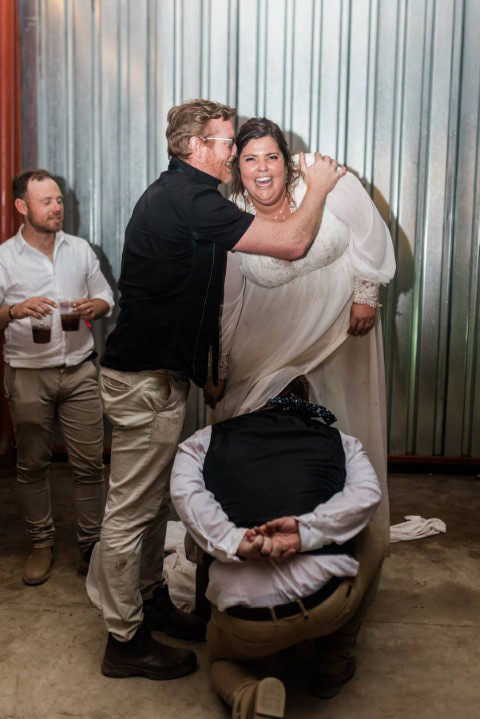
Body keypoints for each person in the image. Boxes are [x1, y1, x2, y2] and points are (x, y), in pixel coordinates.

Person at [98, 98, 347, 681]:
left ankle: (151, 599)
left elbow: (200, 290)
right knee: (130, 512)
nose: (235, 152)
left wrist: (206, 364)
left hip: (161, 375)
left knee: (152, 504)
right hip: (143, 380)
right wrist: (317, 187)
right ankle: (123, 640)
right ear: (195, 147)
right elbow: (292, 242)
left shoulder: (187, 197)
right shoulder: (190, 199)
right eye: (227, 142)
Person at [206, 117, 396, 541]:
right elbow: (228, 299)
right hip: (270, 335)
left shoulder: (318, 176)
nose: (262, 168)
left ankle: (346, 530)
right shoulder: (231, 212)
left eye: (271, 157)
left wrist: (366, 293)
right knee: (247, 417)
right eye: (250, 159)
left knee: (344, 425)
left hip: (338, 328)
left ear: (287, 160)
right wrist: (217, 368)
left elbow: (368, 227)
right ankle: (257, 520)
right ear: (237, 168)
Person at [171, 377, 385, 718]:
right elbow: (366, 497)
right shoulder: (342, 442)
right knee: (373, 534)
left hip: (247, 619)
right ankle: (332, 665)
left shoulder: (202, 441)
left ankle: (248, 692)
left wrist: (236, 541)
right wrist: (305, 532)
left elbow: (187, 498)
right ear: (307, 399)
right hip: (323, 603)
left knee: (223, 660)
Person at [0, 169, 114, 585]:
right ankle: (41, 544)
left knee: (90, 465)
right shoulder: (4, 258)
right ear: (22, 206)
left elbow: (106, 296)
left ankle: (91, 546)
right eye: (46, 201)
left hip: (80, 371)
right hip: (28, 375)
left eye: (59, 200)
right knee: (32, 465)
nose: (57, 208)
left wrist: (94, 307)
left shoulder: (80, 249)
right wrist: (15, 310)